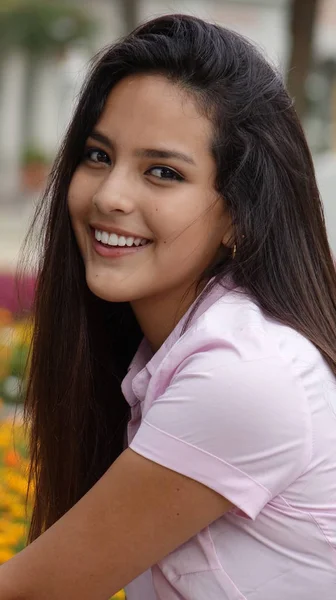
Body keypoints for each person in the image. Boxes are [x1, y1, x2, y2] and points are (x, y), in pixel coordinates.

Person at [1, 13, 336, 600]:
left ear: (238, 213)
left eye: (162, 172)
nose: (110, 195)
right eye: (98, 156)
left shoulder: (243, 375)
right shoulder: (167, 353)